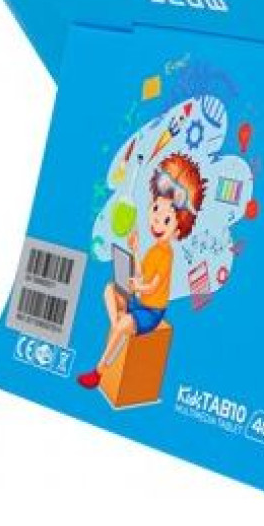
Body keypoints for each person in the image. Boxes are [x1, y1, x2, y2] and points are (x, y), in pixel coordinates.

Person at [78, 153, 206, 389]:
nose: (156, 221)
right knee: (109, 289)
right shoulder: (153, 250)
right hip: (138, 302)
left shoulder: (166, 255)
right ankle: (119, 326)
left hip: (151, 312)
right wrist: (135, 250)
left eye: (166, 220)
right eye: (155, 209)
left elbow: (153, 285)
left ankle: (98, 372)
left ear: (177, 231)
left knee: (124, 323)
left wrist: (139, 287)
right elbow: (141, 273)